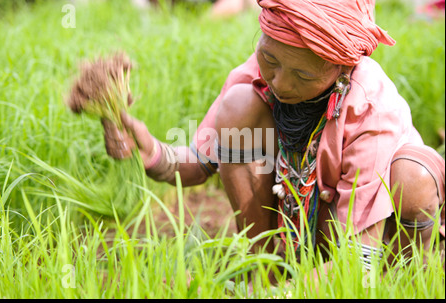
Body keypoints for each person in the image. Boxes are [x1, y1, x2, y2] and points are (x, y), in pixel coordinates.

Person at [102, 0, 445, 270]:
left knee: (412, 178)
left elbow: (359, 259)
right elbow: (200, 162)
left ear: (342, 68)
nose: (280, 83)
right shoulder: (257, 71)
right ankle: (265, 265)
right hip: (301, 226)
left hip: (372, 238)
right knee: (239, 104)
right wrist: (149, 151)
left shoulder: (371, 105)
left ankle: (405, 272)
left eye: (303, 74)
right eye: (270, 59)